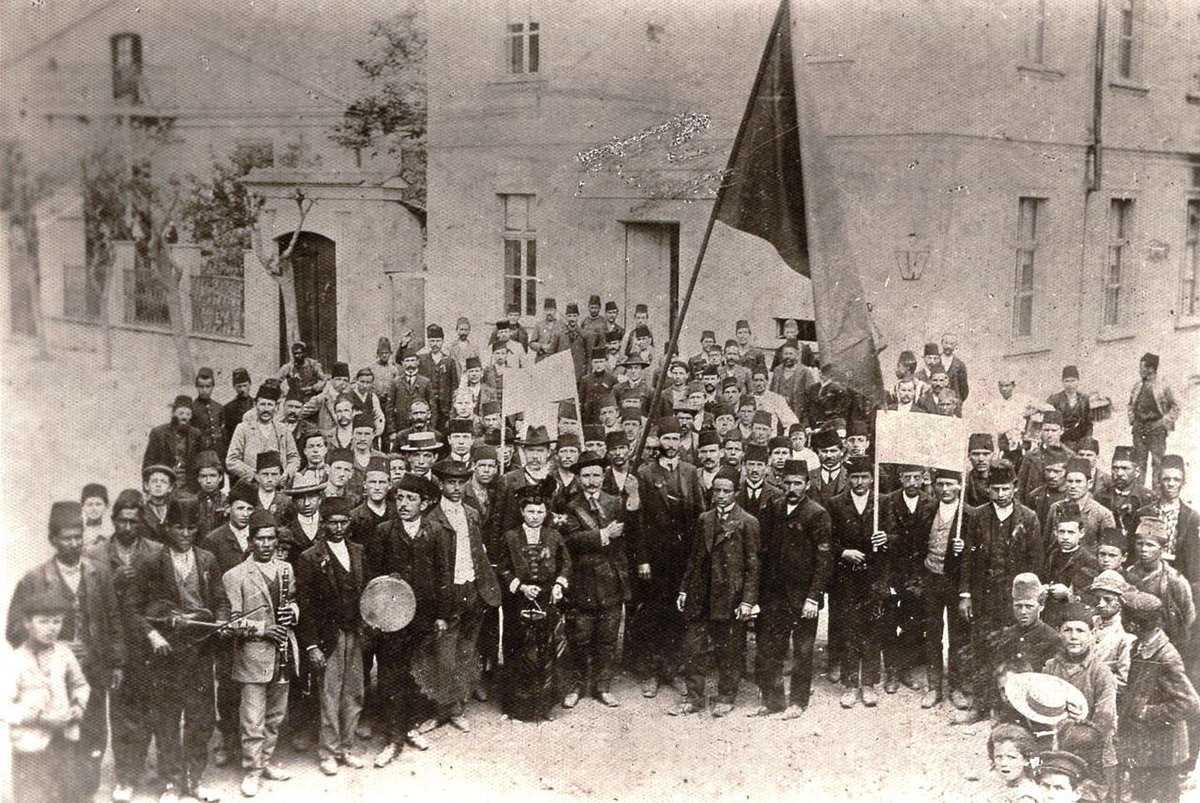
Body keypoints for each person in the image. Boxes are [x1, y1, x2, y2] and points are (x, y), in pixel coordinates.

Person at [8, 501, 125, 802]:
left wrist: (116, 663)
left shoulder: (99, 573)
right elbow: (14, 629)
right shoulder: (35, 579)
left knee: (95, 732)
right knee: (58, 736)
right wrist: (54, 643)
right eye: (66, 538)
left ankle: (85, 792)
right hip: (53, 676)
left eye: (78, 536)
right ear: (53, 540)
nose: (73, 544)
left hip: (94, 670)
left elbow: (113, 619)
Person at [131, 497, 223, 803]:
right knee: (167, 717)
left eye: (191, 527)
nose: (185, 533)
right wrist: (153, 635)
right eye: (178, 527)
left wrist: (220, 622)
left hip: (199, 650)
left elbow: (220, 601)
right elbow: (133, 608)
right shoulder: (152, 561)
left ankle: (193, 780)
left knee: (201, 718)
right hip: (166, 652)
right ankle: (171, 783)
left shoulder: (207, 560)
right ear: (167, 527)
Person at [86, 489, 162, 803]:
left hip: (146, 642)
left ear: (141, 521)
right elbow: (93, 603)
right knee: (120, 711)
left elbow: (162, 598)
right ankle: (125, 775)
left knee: (147, 708)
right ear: (113, 520)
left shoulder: (155, 551)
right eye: (122, 521)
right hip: (116, 646)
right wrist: (114, 583)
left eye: (133, 521)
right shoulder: (98, 555)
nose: (127, 527)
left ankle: (141, 765)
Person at [957, 458, 1043, 724]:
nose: (1001, 494)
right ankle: (981, 706)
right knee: (982, 649)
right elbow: (968, 559)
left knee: (1013, 652)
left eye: (1006, 488)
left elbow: (1035, 563)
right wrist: (966, 594)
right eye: (996, 489)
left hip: (1014, 600)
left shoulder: (1028, 518)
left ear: (1015, 487)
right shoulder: (978, 516)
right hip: (983, 597)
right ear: (989, 489)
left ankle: (1008, 709)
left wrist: (1029, 601)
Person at [669, 465, 760, 717]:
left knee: (728, 650)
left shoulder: (747, 522)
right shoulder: (704, 519)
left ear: (736, 493)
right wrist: (684, 590)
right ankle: (695, 698)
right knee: (693, 648)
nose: (720, 495)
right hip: (701, 595)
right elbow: (695, 558)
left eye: (726, 491)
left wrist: (747, 601)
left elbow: (753, 566)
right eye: (717, 490)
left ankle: (726, 696)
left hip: (729, 597)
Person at [220, 509, 298, 798]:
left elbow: (293, 600)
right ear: (250, 541)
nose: (266, 544)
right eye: (260, 539)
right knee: (253, 718)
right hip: (252, 656)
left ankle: (265, 762)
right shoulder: (235, 575)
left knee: (276, 715)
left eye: (271, 539)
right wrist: (264, 629)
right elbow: (232, 621)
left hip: (283, 652)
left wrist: (293, 612)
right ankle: (252, 770)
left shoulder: (286, 569)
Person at [364, 473, 441, 764]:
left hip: (423, 616)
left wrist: (442, 615)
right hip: (391, 618)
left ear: (424, 504)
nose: (404, 504)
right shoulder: (384, 531)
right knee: (390, 675)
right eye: (401, 498)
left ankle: (410, 727)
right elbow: (372, 576)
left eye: (412, 499)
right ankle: (392, 738)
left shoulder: (434, 532)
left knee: (416, 672)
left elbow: (443, 575)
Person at [751, 459, 832, 719]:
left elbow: (824, 560)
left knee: (803, 651)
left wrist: (813, 597)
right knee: (770, 648)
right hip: (774, 595)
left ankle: (798, 702)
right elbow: (762, 553)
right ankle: (773, 701)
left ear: (807, 484)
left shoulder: (817, 513)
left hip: (803, 596)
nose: (792, 488)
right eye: (787, 483)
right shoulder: (773, 509)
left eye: (798, 483)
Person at [632, 416, 707, 698]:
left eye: (676, 439)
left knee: (678, 615)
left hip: (683, 559)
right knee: (653, 615)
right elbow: (637, 521)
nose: (671, 444)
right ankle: (651, 672)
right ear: (659, 442)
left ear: (682, 441)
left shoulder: (690, 472)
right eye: (666, 439)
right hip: (655, 558)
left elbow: (700, 515)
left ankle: (672, 671)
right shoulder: (645, 473)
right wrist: (642, 558)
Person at [294, 496, 368, 776]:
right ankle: (328, 751)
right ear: (323, 524)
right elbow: (306, 607)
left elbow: (367, 594)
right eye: (332, 522)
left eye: (343, 522)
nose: (338, 528)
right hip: (329, 636)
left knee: (354, 692)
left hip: (354, 633)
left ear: (349, 523)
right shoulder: (310, 558)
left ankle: (346, 747)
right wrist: (312, 645)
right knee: (330, 694)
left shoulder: (359, 551)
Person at [425, 460, 501, 730]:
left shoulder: (471, 513)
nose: (456, 488)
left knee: (466, 651)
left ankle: (457, 705)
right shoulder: (432, 518)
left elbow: (478, 552)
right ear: (441, 484)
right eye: (450, 483)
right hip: (449, 592)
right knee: (444, 654)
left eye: (460, 483)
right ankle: (443, 708)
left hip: (474, 588)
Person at [559, 451, 630, 709]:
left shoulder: (615, 503)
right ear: (578, 478)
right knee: (580, 636)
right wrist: (602, 534)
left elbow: (625, 541)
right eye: (586, 475)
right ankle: (577, 685)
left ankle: (602, 686)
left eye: (596, 475)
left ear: (603, 476)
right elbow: (570, 541)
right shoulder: (569, 506)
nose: (591, 480)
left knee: (607, 638)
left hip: (611, 579)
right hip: (582, 580)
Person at [495, 484, 571, 722]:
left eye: (540, 512)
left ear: (545, 513)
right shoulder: (510, 537)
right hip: (518, 599)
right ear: (522, 512)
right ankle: (516, 708)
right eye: (530, 512)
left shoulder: (554, 536)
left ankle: (543, 707)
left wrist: (558, 585)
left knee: (545, 650)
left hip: (546, 597)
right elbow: (502, 567)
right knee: (517, 649)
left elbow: (566, 564)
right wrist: (521, 586)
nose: (535, 517)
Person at [6, 591, 90, 803]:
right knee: (33, 795)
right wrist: (38, 718)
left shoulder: (64, 653)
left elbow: (80, 685)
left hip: (64, 738)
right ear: (27, 623)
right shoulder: (15, 660)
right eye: (43, 622)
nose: (51, 628)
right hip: (30, 743)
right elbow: (3, 706)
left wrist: (77, 708)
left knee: (67, 792)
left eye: (57, 622)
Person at [1120, 588, 1200, 803]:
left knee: (1163, 796)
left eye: (1124, 615)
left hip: (1165, 749)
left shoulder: (1166, 657)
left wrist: (1147, 712)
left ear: (1134, 625)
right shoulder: (1138, 647)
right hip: (1145, 744)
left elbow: (1190, 703)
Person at [200, 479, 258, 766]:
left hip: (256, 618)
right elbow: (210, 585)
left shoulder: (261, 536)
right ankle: (228, 740)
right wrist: (222, 618)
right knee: (228, 684)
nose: (245, 513)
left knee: (255, 683)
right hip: (227, 622)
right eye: (240, 508)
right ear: (228, 509)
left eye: (250, 508)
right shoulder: (213, 539)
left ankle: (253, 742)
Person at [826, 455, 886, 707]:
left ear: (872, 478)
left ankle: (869, 683)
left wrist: (887, 538)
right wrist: (843, 552)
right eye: (855, 477)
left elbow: (898, 534)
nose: (859, 482)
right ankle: (851, 684)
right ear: (848, 479)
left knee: (872, 628)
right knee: (849, 627)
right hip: (846, 577)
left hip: (874, 577)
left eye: (864, 477)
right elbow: (827, 538)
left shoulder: (883, 502)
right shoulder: (835, 503)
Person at [1042, 602, 1118, 792]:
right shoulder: (1050, 667)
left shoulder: (1101, 673)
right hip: (1058, 752)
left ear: (1092, 635)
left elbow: (1105, 722)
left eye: (1080, 631)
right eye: (1067, 630)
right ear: (1059, 632)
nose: (1073, 637)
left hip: (1094, 756)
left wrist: (1082, 720)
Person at [1125, 517, 1195, 650]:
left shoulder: (1174, 579)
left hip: (1163, 642)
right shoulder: (1129, 573)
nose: (1143, 549)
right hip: (1132, 640)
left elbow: (1188, 616)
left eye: (1150, 545)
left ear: (1162, 548)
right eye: (1140, 543)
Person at [226, 383, 300, 483]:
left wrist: (287, 474)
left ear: (276, 407)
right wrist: (253, 475)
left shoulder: (283, 430)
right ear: (255, 405)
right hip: (251, 487)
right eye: (262, 404)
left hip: (277, 486)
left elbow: (294, 458)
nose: (266, 409)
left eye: (270, 405)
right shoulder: (243, 429)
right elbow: (231, 460)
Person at [1042, 509, 1100, 629]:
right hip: (1050, 613)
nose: (1065, 537)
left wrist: (1068, 593)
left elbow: (1092, 596)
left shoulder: (1089, 559)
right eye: (1061, 532)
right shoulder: (1053, 554)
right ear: (1055, 533)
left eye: (1071, 532)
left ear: (1081, 533)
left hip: (1073, 616)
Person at [1127, 352, 1180, 482]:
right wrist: (1133, 420)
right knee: (1139, 463)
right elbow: (1130, 405)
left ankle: (1156, 494)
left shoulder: (1163, 386)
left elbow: (1176, 406)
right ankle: (1139, 493)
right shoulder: (1137, 386)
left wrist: (1165, 422)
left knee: (1157, 462)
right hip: (1139, 428)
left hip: (1156, 428)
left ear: (1151, 368)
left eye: (1142, 367)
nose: (1140, 370)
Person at [1043, 458, 1115, 553]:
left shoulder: (1102, 514)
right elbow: (1047, 542)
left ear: (1089, 484)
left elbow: (1108, 549)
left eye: (1078, 481)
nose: (1073, 486)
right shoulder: (1056, 508)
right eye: (1070, 481)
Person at [144, 395, 206, 492]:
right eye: (181, 413)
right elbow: (149, 462)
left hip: (189, 485)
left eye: (188, 414)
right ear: (173, 414)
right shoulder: (159, 433)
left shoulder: (196, 434)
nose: (184, 417)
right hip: (165, 482)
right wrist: (147, 488)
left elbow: (202, 462)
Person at [1095, 444, 1151, 546]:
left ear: (1137, 472)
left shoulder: (1147, 498)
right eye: (1115, 468)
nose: (1119, 473)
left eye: (1125, 468)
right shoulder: (1100, 497)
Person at [1016, 410, 1074, 504]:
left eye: (1054, 430)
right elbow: (1021, 486)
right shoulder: (1031, 456)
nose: (1049, 435)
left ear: (1061, 431)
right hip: (1034, 506)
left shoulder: (1069, 456)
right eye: (1046, 430)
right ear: (1041, 431)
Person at [1087, 570, 1133, 688]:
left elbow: (1123, 680)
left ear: (1120, 601)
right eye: (1098, 598)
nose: (1101, 604)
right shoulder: (1089, 623)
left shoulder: (1125, 635)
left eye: (1107, 599)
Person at [418, 323, 461, 428]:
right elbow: (402, 360)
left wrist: (452, 408)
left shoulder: (449, 361)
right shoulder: (422, 360)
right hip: (427, 404)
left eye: (438, 341)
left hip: (445, 407)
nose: (435, 344)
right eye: (432, 341)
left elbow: (454, 386)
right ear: (428, 342)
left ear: (442, 341)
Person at [986, 723, 1041, 803]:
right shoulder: (1002, 788)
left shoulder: (1027, 796)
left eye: (1011, 757)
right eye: (998, 757)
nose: (1003, 763)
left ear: (1026, 760)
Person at [390, 347, 435, 436]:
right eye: (407, 361)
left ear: (418, 362)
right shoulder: (396, 382)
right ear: (402, 363)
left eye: (413, 360)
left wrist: (431, 428)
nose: (410, 364)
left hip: (420, 426)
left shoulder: (425, 382)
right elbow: (390, 408)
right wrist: (392, 430)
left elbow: (432, 407)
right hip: (401, 426)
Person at [1046, 365, 1091, 451]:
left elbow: (1088, 423)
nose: (1070, 385)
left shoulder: (1084, 399)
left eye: (1073, 381)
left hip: (1079, 440)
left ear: (1078, 381)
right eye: (1067, 381)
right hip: (1060, 440)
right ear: (1062, 382)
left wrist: (1088, 440)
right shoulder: (1054, 399)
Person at [194, 450, 229, 536]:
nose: (208, 481)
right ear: (198, 478)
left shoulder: (227, 502)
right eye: (204, 476)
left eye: (213, 476)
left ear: (220, 477)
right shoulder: (192, 502)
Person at [223, 368, 255, 447]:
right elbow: (227, 434)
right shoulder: (228, 408)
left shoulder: (256, 404)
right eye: (239, 386)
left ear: (250, 384)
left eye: (245, 385)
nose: (242, 389)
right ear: (234, 387)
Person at [80, 483, 113, 550]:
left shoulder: (110, 532)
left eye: (98, 504)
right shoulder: (80, 532)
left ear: (106, 506)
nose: (94, 509)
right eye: (89, 504)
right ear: (82, 506)